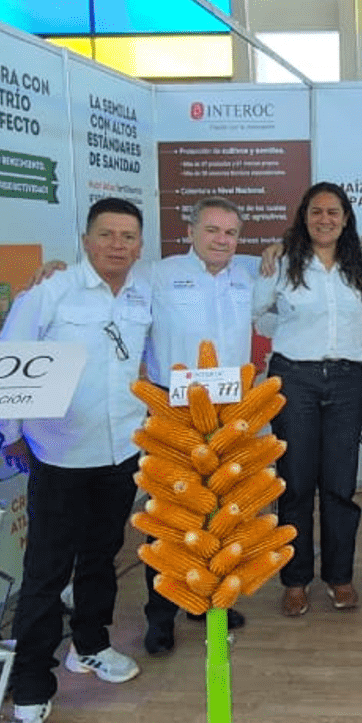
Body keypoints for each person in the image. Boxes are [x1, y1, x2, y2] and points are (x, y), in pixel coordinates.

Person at [0, 198, 151, 723]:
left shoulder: (142, 295)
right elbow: (8, 361)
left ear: (140, 245)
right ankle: (30, 697)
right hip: (59, 452)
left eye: (128, 236)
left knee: (102, 556)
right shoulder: (49, 292)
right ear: (86, 240)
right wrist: (10, 433)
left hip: (121, 448)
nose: (117, 245)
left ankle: (90, 645)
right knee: (45, 574)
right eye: (106, 234)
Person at [139, 197, 254, 656]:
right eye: (212, 230)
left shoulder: (246, 278)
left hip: (228, 412)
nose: (222, 240)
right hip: (175, 409)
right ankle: (160, 614)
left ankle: (208, 603)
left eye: (230, 232)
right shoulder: (158, 275)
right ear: (190, 232)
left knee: (221, 514)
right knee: (169, 518)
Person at [253, 183, 362, 617]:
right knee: (296, 483)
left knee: (340, 485)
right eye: (316, 212)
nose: (325, 220)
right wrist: (289, 335)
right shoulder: (282, 262)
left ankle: (340, 577)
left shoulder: (360, 264)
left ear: (345, 218)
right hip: (295, 379)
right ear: (304, 217)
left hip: (345, 379)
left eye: (333, 212)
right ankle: (295, 581)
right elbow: (257, 312)